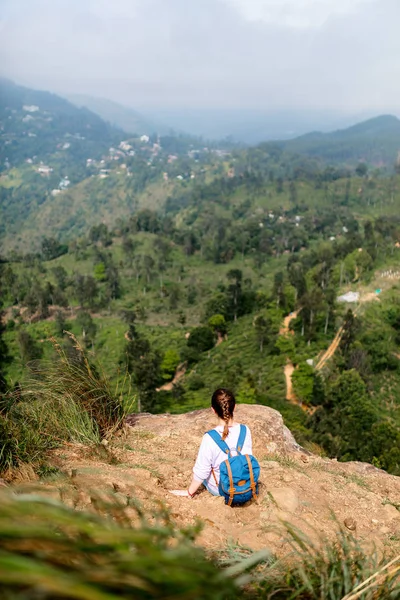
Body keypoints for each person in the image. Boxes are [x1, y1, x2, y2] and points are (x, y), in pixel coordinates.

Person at [170, 388, 252, 498]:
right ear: (234, 407)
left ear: (213, 410)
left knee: (204, 469)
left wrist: (189, 492)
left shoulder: (210, 437)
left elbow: (202, 471)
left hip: (223, 490)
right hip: (244, 485)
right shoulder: (245, 430)